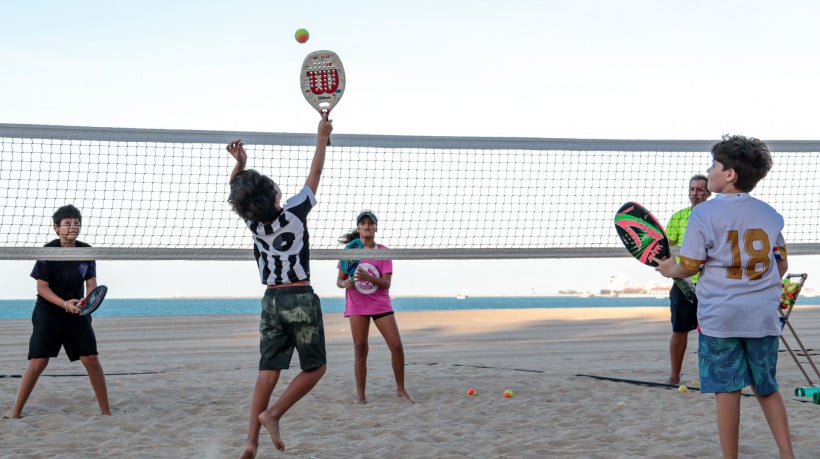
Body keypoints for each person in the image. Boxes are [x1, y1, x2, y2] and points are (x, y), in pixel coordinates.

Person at [654, 135, 794, 459]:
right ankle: (788, 454)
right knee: (767, 387)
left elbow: (688, 267)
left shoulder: (703, 214)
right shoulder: (770, 215)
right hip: (762, 316)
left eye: (714, 165)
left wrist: (667, 268)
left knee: (727, 390)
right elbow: (782, 263)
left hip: (721, 317)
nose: (709, 170)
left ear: (729, 174)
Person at [228, 111, 332, 459]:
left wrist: (240, 165)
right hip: (299, 296)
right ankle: (273, 414)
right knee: (315, 367)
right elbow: (315, 173)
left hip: (271, 301)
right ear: (275, 198)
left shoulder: (254, 224)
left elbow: (239, 196)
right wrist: (322, 136)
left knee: (268, 371)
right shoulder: (295, 212)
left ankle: (250, 442)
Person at [11, 204, 111, 418]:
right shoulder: (49, 251)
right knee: (38, 361)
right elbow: (42, 287)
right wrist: (65, 304)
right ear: (57, 228)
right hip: (49, 311)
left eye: (76, 223)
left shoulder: (86, 251)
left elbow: (91, 283)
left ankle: (106, 413)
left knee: (91, 359)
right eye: (67, 223)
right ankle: (15, 412)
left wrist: (87, 300)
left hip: (78, 312)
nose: (73, 227)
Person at [337, 210, 412, 404]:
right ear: (358, 228)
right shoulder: (350, 252)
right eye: (363, 223)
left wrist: (369, 278)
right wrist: (346, 284)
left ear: (375, 227)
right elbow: (339, 280)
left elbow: (387, 284)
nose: (367, 226)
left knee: (396, 346)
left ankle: (401, 390)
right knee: (360, 349)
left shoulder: (382, 251)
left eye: (370, 223)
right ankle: (361, 396)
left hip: (380, 304)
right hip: (357, 304)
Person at [664, 174, 711, 385]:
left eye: (700, 189)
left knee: (711, 333)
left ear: (708, 193)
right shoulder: (679, 217)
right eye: (692, 189)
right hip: (683, 282)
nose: (695, 193)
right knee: (679, 330)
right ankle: (674, 376)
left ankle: (710, 377)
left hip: (710, 282)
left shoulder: (714, 216)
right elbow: (667, 248)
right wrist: (673, 270)